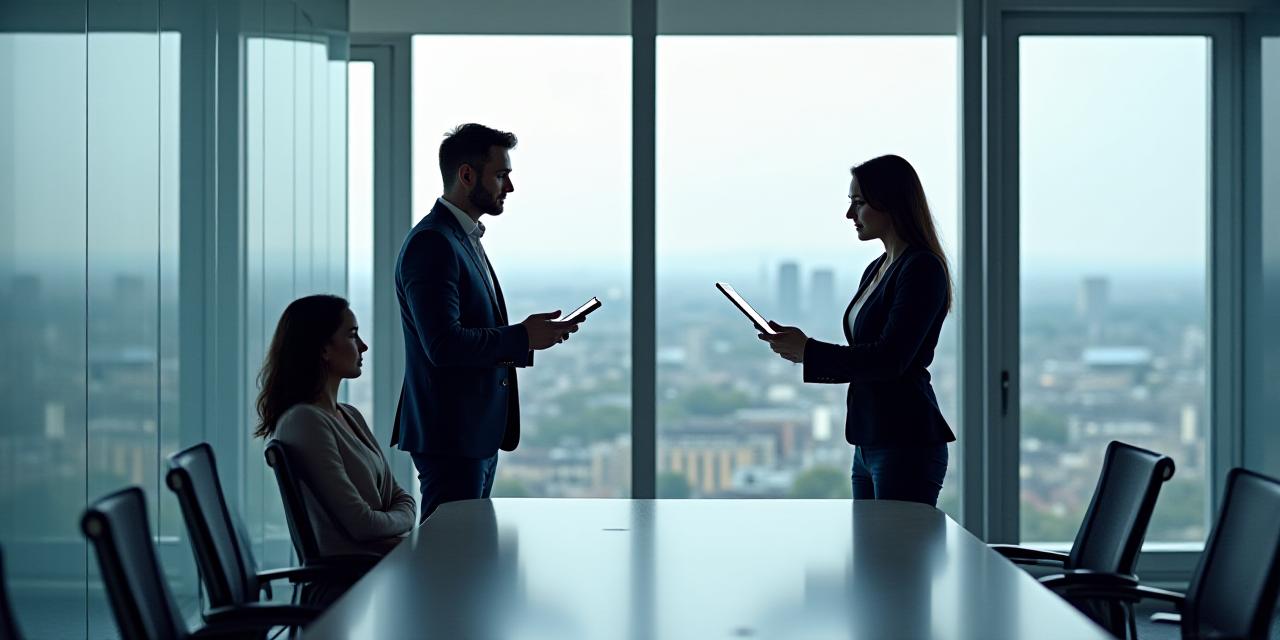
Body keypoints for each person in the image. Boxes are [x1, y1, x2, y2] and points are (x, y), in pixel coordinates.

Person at [392, 123, 582, 522]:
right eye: (500, 175)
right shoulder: (433, 243)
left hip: (472, 434)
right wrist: (523, 337)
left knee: (464, 553)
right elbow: (442, 345)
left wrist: (527, 337)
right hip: (452, 436)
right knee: (451, 559)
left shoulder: (461, 239)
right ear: (466, 175)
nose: (508, 187)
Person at [760, 154, 955, 507]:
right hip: (869, 441)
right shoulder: (878, 268)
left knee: (895, 558)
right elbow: (868, 354)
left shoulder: (922, 268)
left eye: (859, 203)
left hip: (905, 441)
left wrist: (810, 352)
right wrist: (802, 351)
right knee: (872, 554)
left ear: (891, 203)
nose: (850, 215)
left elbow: (890, 358)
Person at [254, 294, 416, 555]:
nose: (363, 346)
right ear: (323, 349)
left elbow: (404, 498)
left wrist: (395, 524)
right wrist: (402, 525)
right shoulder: (304, 423)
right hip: (354, 582)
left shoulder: (350, 415)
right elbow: (362, 524)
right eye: (352, 335)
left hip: (382, 568)